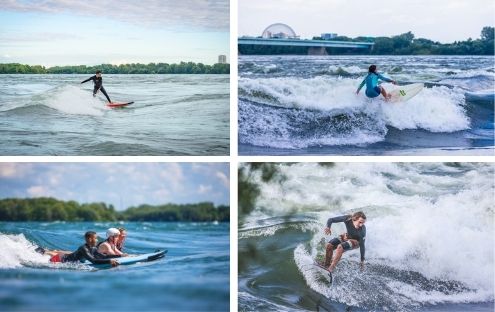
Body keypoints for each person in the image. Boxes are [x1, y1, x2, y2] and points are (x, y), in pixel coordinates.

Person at [46, 231, 119, 267]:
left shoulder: (93, 248)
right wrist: (109, 261)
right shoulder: (83, 248)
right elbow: (94, 261)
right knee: (47, 256)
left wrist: (121, 256)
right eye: (96, 238)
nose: (97, 240)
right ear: (90, 239)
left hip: (66, 255)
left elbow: (103, 256)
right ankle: (43, 252)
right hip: (60, 259)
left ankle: (47, 252)